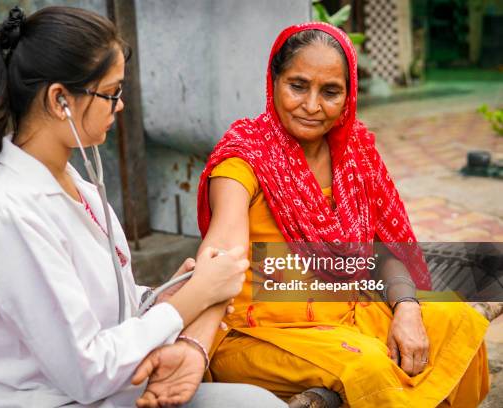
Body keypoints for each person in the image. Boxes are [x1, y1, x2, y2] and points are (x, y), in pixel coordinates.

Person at [0, 6, 286, 408]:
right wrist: (195, 298)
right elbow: (88, 371)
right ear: (60, 100)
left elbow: (104, 311)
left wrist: (165, 295)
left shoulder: (74, 182)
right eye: (111, 92)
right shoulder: (10, 212)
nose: (119, 105)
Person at [188, 22, 490, 407]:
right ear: (274, 81)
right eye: (298, 85)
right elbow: (222, 249)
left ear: (348, 96)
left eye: (330, 92)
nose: (312, 106)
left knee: (459, 325)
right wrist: (189, 344)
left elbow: (384, 249)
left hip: (348, 315)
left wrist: (407, 309)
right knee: (368, 368)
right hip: (259, 336)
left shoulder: (355, 154)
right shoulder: (244, 157)